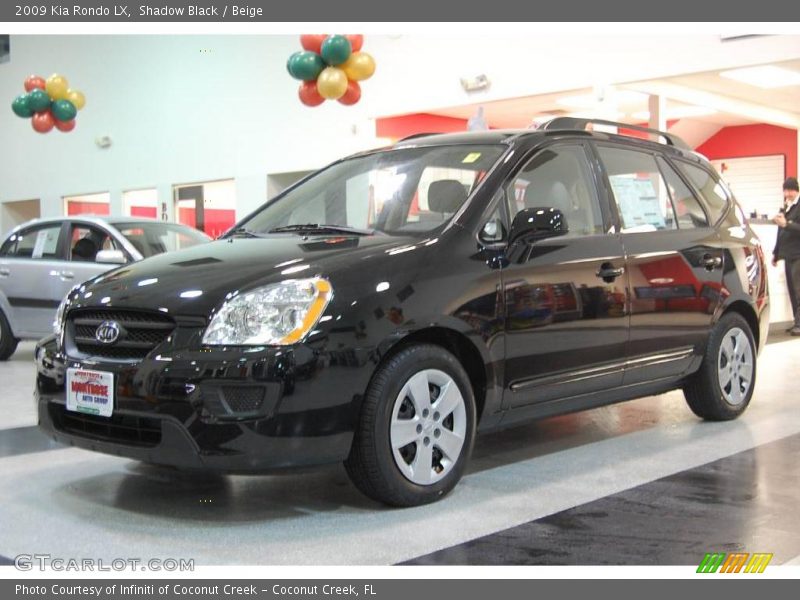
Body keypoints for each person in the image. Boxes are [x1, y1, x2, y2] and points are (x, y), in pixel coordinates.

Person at [773, 176, 800, 335]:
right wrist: (776, 254)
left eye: (790, 190)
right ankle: (796, 322)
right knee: (792, 290)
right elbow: (780, 232)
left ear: (796, 190)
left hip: (798, 254)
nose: (787, 193)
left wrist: (787, 224)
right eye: (785, 190)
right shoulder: (786, 207)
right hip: (788, 255)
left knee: (798, 290)